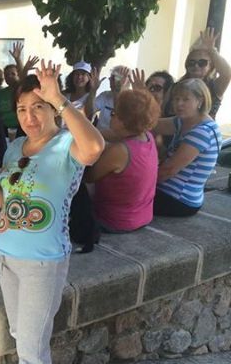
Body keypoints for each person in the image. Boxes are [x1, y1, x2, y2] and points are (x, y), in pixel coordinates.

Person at [0, 61, 104, 364]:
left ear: (51, 108)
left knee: (31, 352)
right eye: (21, 109)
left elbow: (95, 148)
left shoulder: (68, 144)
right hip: (6, 254)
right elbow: (6, 202)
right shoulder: (15, 147)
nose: (29, 117)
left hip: (42, 262)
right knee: (22, 336)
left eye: (38, 107)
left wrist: (60, 99)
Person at [84, 89, 160, 232]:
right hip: (143, 217)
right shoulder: (147, 136)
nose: (110, 117)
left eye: (113, 114)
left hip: (114, 221)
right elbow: (111, 134)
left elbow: (89, 177)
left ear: (124, 121)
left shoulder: (120, 151)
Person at [153, 78, 221, 217]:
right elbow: (149, 124)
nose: (179, 104)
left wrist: (140, 182)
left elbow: (168, 170)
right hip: (170, 191)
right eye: (176, 99)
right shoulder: (184, 121)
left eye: (185, 99)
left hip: (179, 199)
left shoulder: (202, 131)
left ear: (200, 101)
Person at [181, 27, 231, 119]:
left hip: (204, 131)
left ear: (210, 67)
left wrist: (212, 50)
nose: (196, 66)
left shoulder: (214, 86)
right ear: (187, 65)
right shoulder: (178, 85)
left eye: (202, 63)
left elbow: (227, 74)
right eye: (192, 62)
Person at [86, 65, 130, 130]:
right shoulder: (105, 95)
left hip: (117, 139)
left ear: (125, 81)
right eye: (110, 77)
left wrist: (118, 91)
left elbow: (121, 125)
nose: (109, 79)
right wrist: (93, 90)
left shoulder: (132, 100)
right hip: (99, 137)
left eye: (113, 77)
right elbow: (88, 112)